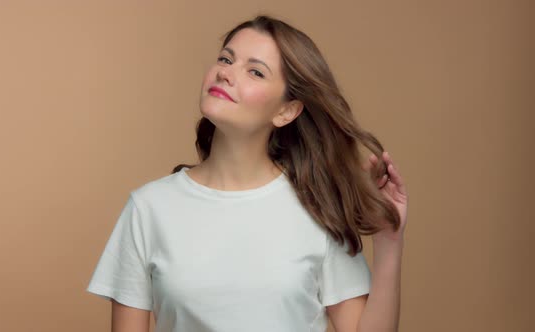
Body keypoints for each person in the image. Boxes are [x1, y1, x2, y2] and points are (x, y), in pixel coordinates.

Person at [86, 15, 408, 332]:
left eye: (255, 71)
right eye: (226, 58)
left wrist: (389, 241)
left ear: (286, 111)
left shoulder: (318, 211)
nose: (226, 73)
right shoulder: (148, 209)